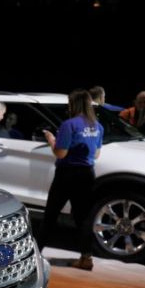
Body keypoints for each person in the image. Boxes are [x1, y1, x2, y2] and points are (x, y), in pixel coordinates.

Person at [36, 89, 103, 270]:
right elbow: (96, 154)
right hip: (87, 174)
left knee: (51, 214)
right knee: (83, 218)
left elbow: (61, 152)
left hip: (67, 174)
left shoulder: (69, 125)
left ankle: (35, 255)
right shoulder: (97, 126)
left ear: (73, 104)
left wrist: (51, 139)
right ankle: (86, 258)